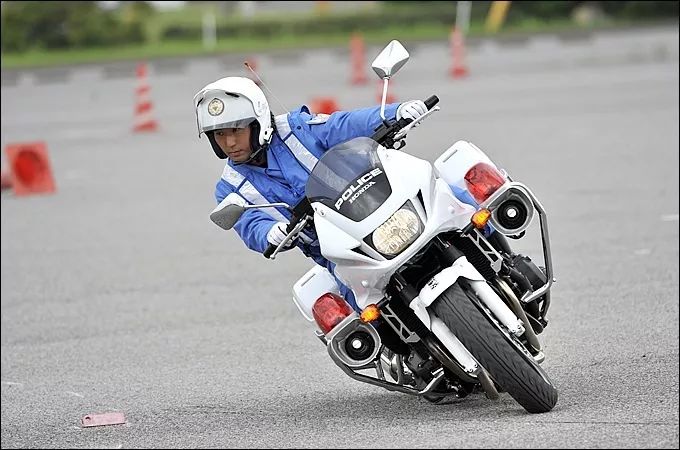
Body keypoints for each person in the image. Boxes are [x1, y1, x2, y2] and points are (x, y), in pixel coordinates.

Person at [194, 76, 428, 312]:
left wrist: (394, 113)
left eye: (236, 130)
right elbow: (250, 224)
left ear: (257, 123)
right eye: (219, 134)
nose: (230, 142)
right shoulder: (230, 187)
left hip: (372, 212)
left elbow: (342, 125)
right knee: (369, 314)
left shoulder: (296, 127)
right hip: (339, 254)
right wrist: (269, 233)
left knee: (450, 199)